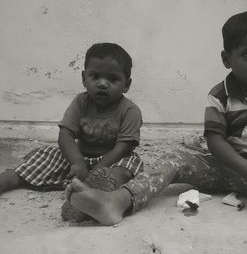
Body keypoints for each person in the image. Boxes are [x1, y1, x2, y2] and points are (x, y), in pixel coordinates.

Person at [65, 12, 247, 253]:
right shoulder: (220, 95)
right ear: (227, 59)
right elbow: (214, 141)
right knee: (172, 160)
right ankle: (117, 201)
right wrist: (246, 170)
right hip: (221, 167)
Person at [0, 42, 144, 221]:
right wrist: (77, 163)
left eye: (112, 79)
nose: (102, 84)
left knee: (128, 167)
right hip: (79, 157)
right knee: (42, 158)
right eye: (95, 76)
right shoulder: (80, 102)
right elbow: (65, 135)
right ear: (84, 78)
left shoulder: (130, 110)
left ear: (127, 84)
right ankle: (6, 180)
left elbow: (123, 147)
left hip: (112, 160)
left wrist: (98, 169)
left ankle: (93, 196)